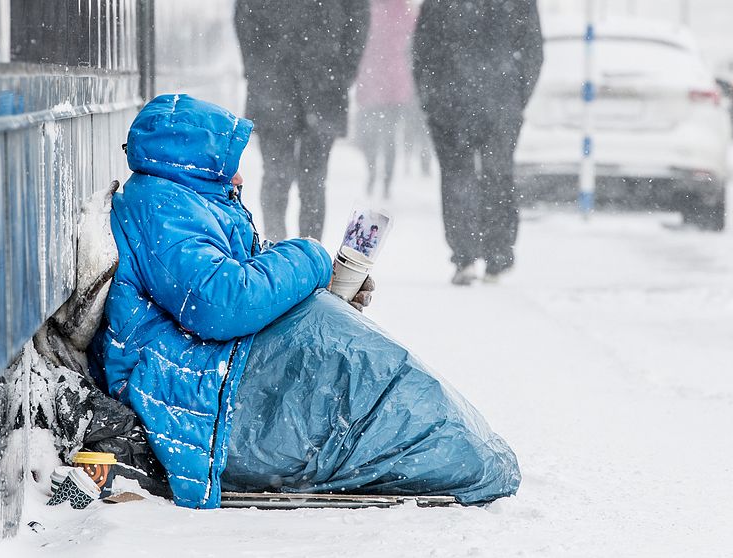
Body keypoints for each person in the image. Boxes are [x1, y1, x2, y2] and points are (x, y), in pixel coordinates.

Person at [89, 94, 520, 510]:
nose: (238, 178)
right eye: (227, 166)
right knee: (352, 370)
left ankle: (449, 449)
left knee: (353, 362)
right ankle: (453, 455)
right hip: (193, 378)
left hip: (210, 362)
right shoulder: (161, 206)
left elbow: (239, 271)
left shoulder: (183, 200)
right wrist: (310, 256)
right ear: (191, 163)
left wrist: (321, 286)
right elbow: (220, 304)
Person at [412, 0, 544, 285]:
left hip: (451, 98)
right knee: (497, 175)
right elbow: (533, 49)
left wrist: (429, 95)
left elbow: (423, 48)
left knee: (458, 176)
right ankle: (496, 256)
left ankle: (465, 256)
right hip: (499, 99)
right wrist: (517, 96)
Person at [234, 0, 370, 241]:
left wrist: (343, 71)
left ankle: (297, 251)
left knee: (301, 179)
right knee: (294, 177)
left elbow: (358, 19)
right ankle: (284, 247)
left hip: (299, 82)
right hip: (296, 82)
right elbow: (357, 18)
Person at [354, 0, 417, 199]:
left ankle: (378, 175)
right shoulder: (402, 10)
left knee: (377, 136)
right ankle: (381, 177)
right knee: (385, 137)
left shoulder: (369, 7)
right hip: (390, 82)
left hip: (378, 80)